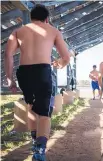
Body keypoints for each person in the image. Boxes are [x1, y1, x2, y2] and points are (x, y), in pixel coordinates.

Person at [4, 5, 70, 161]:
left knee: (32, 107)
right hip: (42, 71)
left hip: (24, 73)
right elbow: (66, 57)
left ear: (31, 17)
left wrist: (9, 79)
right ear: (47, 18)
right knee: (45, 113)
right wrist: (60, 64)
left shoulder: (18, 31)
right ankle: (39, 152)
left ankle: (35, 141)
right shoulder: (53, 31)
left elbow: (8, 54)